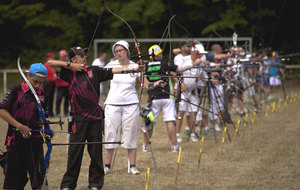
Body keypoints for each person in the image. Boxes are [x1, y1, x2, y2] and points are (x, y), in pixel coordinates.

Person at [48, 46, 142, 190]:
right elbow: (50, 63)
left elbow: (113, 70)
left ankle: (95, 184)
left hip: (95, 117)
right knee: (74, 153)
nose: (84, 56)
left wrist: (132, 70)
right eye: (80, 55)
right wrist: (70, 65)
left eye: (85, 54)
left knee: (96, 152)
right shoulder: (69, 73)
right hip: (77, 119)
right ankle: (68, 185)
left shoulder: (94, 70)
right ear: (73, 59)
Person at [103, 40, 152, 175]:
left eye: (121, 50)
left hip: (131, 105)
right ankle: (107, 166)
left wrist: (156, 84)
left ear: (127, 51)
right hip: (112, 104)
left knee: (130, 134)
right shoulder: (111, 65)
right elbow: (99, 76)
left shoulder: (136, 66)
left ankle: (132, 166)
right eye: (116, 51)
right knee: (111, 134)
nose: (119, 53)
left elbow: (145, 84)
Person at [142, 44, 202, 152]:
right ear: (157, 54)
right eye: (159, 53)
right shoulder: (165, 63)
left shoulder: (145, 66)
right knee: (170, 121)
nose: (161, 54)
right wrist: (193, 64)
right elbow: (179, 69)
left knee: (150, 121)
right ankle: (174, 146)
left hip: (152, 97)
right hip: (166, 96)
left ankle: (145, 146)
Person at [0, 63, 50, 189]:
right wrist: (20, 126)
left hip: (36, 143)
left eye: (41, 83)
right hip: (15, 140)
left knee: (40, 180)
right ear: (28, 76)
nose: (37, 86)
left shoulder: (43, 96)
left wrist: (46, 130)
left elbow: (42, 119)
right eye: (35, 82)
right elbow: (2, 110)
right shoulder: (15, 91)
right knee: (13, 182)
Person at [55, 50, 69, 117]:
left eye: (65, 56)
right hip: (60, 85)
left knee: (67, 99)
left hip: (67, 84)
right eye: (63, 56)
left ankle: (66, 112)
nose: (64, 57)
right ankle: (58, 113)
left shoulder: (68, 63)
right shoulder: (57, 63)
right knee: (59, 99)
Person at [44, 52, 57, 117]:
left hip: (53, 82)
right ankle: (47, 112)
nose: (53, 58)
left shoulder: (53, 65)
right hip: (48, 82)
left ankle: (51, 112)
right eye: (52, 57)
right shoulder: (46, 65)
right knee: (47, 97)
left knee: (52, 98)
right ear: (48, 58)